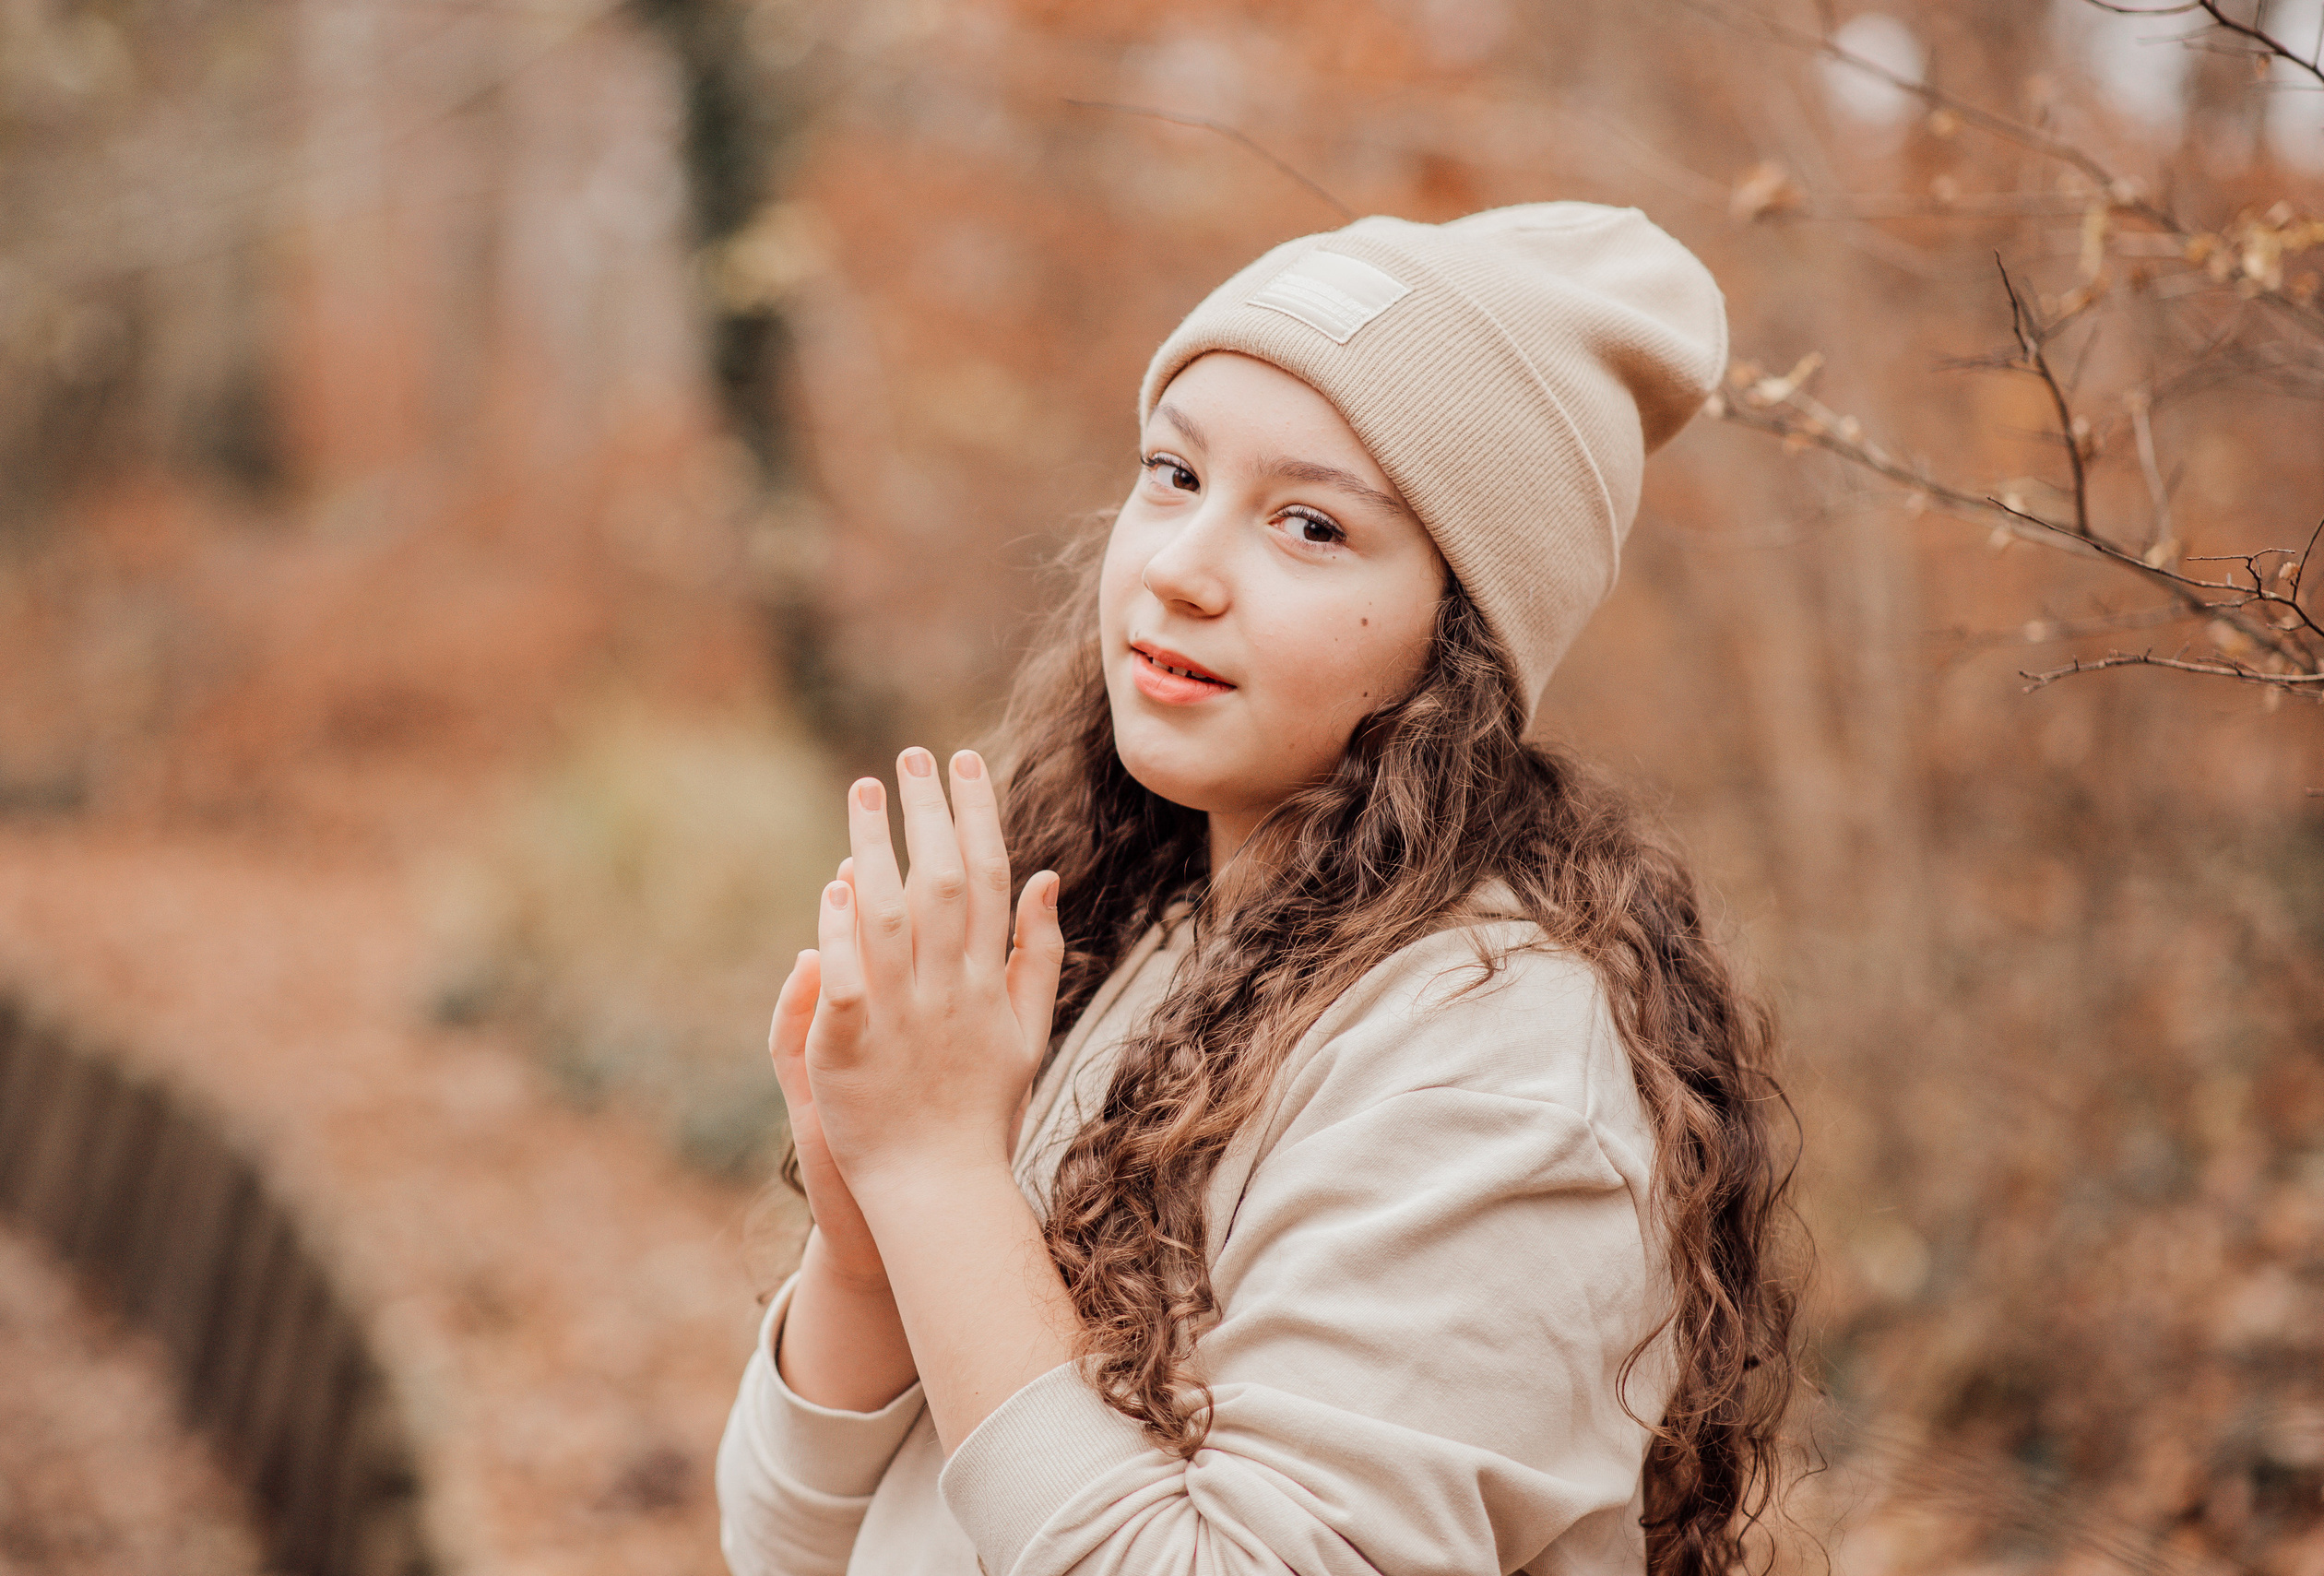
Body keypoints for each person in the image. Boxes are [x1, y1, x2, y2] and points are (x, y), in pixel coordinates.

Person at [717, 202, 1799, 1576]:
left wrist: (940, 1176)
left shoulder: (1495, 1070)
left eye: (1308, 525)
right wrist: (873, 1236)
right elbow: (788, 1544)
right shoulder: (1148, 941)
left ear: (1462, 636)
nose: (1178, 567)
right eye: (1172, 474)